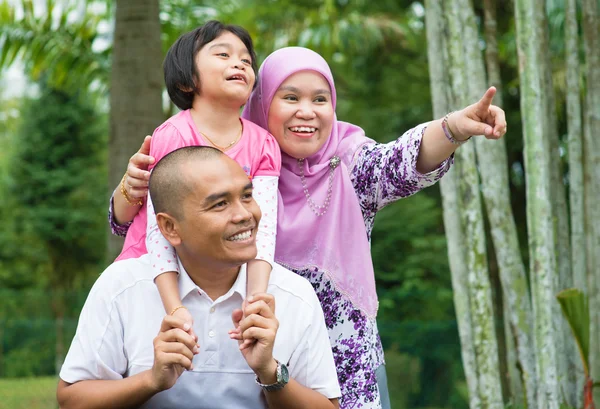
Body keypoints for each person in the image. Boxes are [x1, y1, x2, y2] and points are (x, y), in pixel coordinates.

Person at [114, 47, 507, 408]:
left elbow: (399, 161)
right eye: (290, 98)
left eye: (320, 99)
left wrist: (454, 128)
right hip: (252, 354)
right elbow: (158, 224)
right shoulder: (230, 170)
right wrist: (125, 194)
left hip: (345, 362)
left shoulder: (350, 162)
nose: (308, 111)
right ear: (263, 103)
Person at [58, 146, 340, 409]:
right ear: (169, 227)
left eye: (246, 196)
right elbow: (70, 398)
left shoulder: (294, 294)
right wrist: (151, 380)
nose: (245, 215)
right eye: (219, 205)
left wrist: (270, 372)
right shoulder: (122, 286)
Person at [110, 21, 281, 339]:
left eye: (246, 60)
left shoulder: (264, 144)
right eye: (223, 54)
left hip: (219, 273)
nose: (239, 63)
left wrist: (255, 300)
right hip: (153, 274)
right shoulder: (173, 135)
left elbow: (264, 229)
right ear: (188, 79)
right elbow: (158, 233)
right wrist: (174, 307)